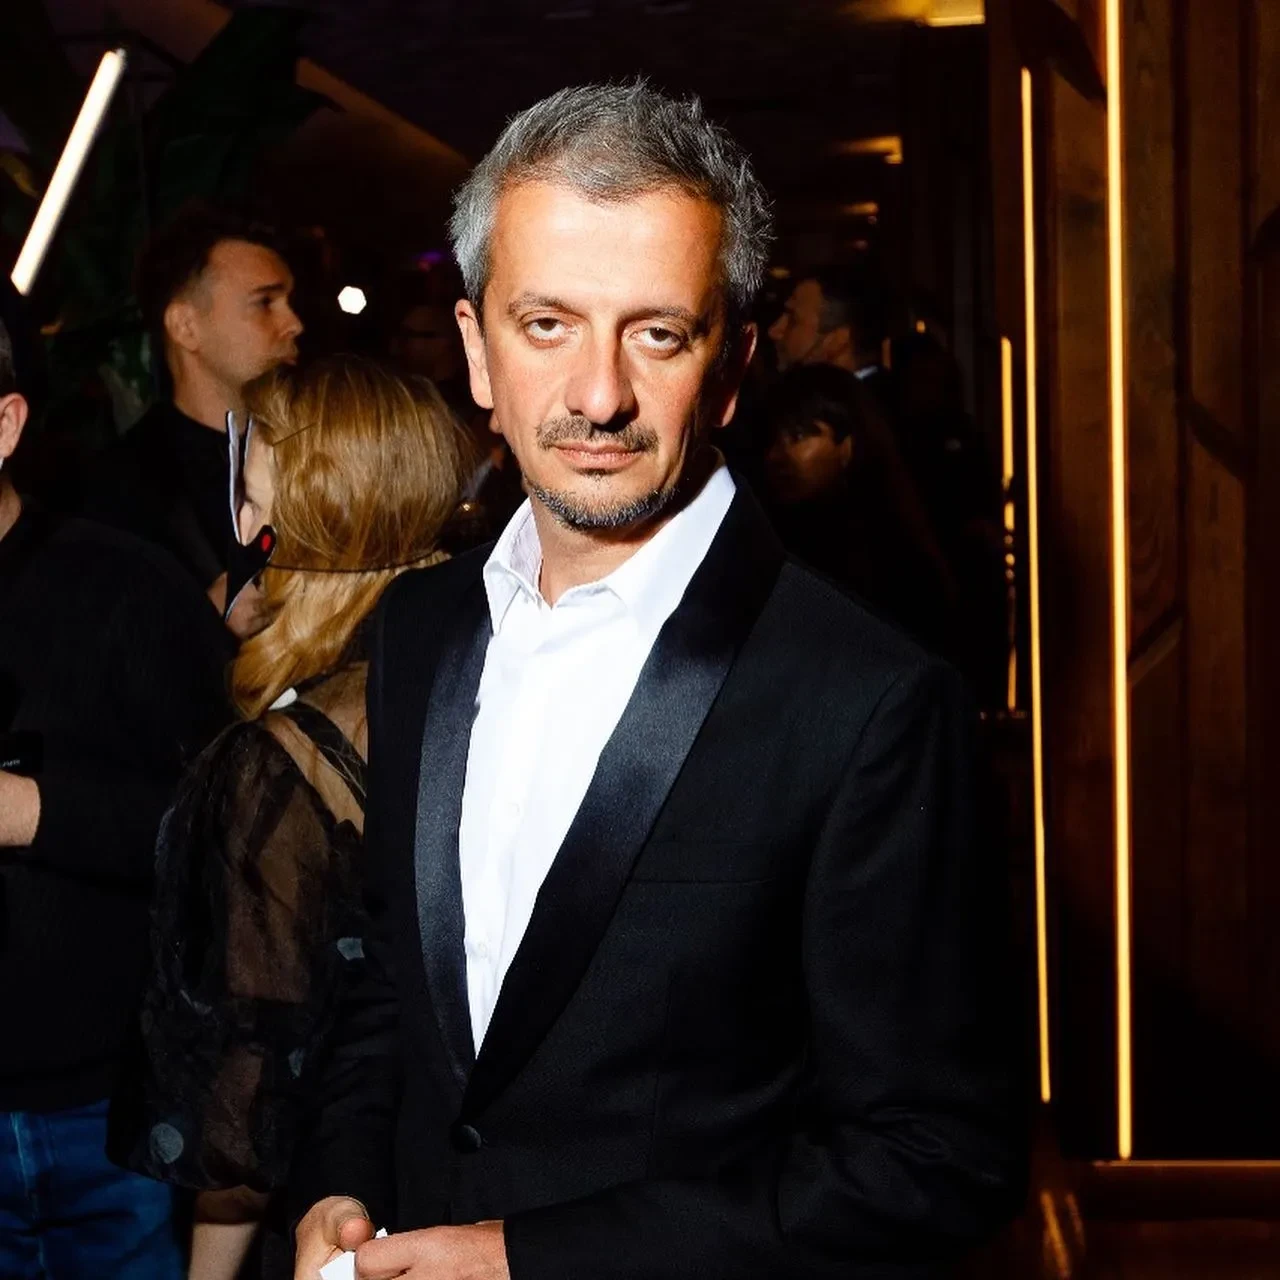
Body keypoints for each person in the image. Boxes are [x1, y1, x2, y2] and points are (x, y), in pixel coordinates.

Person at [293, 82, 1024, 1280]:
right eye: (546, 325)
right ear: (476, 351)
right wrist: (342, 1178)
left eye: (656, 333)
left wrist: (523, 1256)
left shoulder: (863, 699)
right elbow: (391, 981)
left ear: (728, 367)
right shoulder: (421, 625)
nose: (597, 395)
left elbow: (933, 1157)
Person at [111, 355, 471, 1280]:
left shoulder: (275, 766)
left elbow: (242, 1109)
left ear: (298, 523)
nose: (237, 518)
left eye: (251, 492)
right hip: (471, 1195)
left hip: (334, 1223)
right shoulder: (490, 658)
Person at [0, 317, 230, 1277]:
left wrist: (34, 811)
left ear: (5, 425)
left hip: (102, 1115)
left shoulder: (126, 589)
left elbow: (222, 835)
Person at [83, 204, 303, 625]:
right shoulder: (120, 489)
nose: (293, 323)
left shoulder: (317, 451)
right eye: (264, 302)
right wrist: (199, 620)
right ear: (185, 326)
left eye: (288, 301)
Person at [762, 363, 954, 650]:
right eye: (771, 440)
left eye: (798, 436)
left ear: (848, 443)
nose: (776, 456)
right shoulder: (773, 539)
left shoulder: (892, 552)